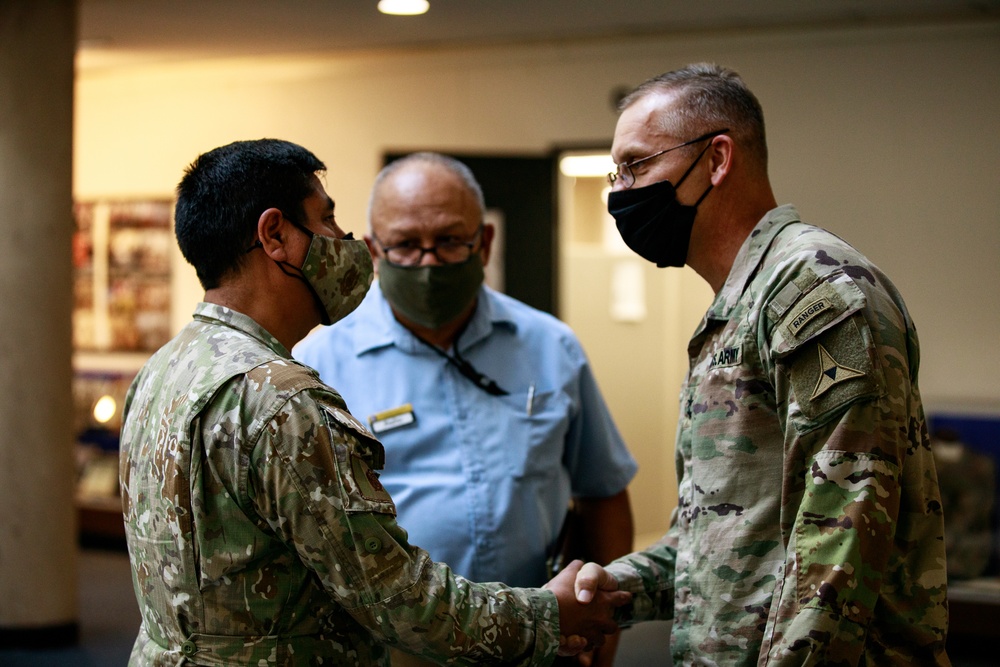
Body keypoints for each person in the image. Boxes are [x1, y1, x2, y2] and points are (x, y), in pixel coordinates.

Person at [117, 138, 629, 666]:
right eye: (327, 219)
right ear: (275, 236)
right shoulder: (281, 400)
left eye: (450, 239)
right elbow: (399, 599)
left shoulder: (165, 368)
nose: (343, 240)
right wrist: (549, 617)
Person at [572, 63, 950, 665]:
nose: (621, 191)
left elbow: (841, 535)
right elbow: (717, 536)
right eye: (616, 173)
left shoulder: (814, 293)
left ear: (717, 159)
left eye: (638, 165)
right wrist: (610, 588)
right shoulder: (741, 305)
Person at [294, 152, 638, 666]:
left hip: (536, 636)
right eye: (407, 245)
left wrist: (601, 641)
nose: (429, 262)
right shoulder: (317, 367)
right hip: (387, 647)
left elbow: (603, 493)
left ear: (485, 243)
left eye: (451, 240)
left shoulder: (550, 347)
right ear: (373, 251)